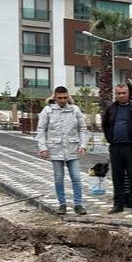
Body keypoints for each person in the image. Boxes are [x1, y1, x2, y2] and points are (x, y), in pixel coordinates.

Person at [37, 86, 89, 215]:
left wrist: (83, 145)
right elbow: (41, 130)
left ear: (68, 96)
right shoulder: (47, 110)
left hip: (72, 149)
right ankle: (62, 204)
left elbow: (82, 129)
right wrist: (43, 148)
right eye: (59, 98)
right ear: (55, 97)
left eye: (65, 97)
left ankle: (78, 204)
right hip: (56, 149)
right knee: (59, 178)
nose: (62, 100)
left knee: (76, 177)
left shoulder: (74, 110)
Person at [101, 83, 132, 214]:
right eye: (119, 93)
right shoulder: (111, 108)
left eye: (124, 93)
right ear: (115, 94)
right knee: (117, 177)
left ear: (128, 94)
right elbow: (105, 124)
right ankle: (118, 205)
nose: (121, 95)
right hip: (116, 148)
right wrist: (109, 138)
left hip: (131, 148)